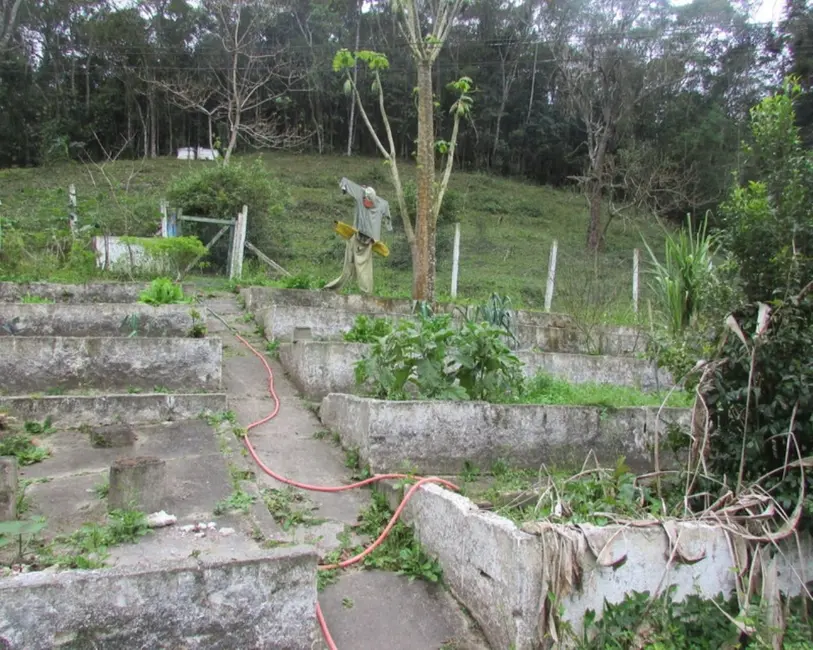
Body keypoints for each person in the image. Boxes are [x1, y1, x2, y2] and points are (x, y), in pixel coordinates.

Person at [324, 177, 392, 295]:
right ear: (364, 197)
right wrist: (344, 189)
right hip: (355, 237)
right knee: (348, 268)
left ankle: (367, 293)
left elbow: (387, 215)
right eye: (366, 200)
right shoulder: (360, 194)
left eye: (370, 202)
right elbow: (345, 182)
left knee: (365, 271)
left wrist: (388, 227)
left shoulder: (381, 204)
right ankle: (331, 289)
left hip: (369, 242)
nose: (367, 204)